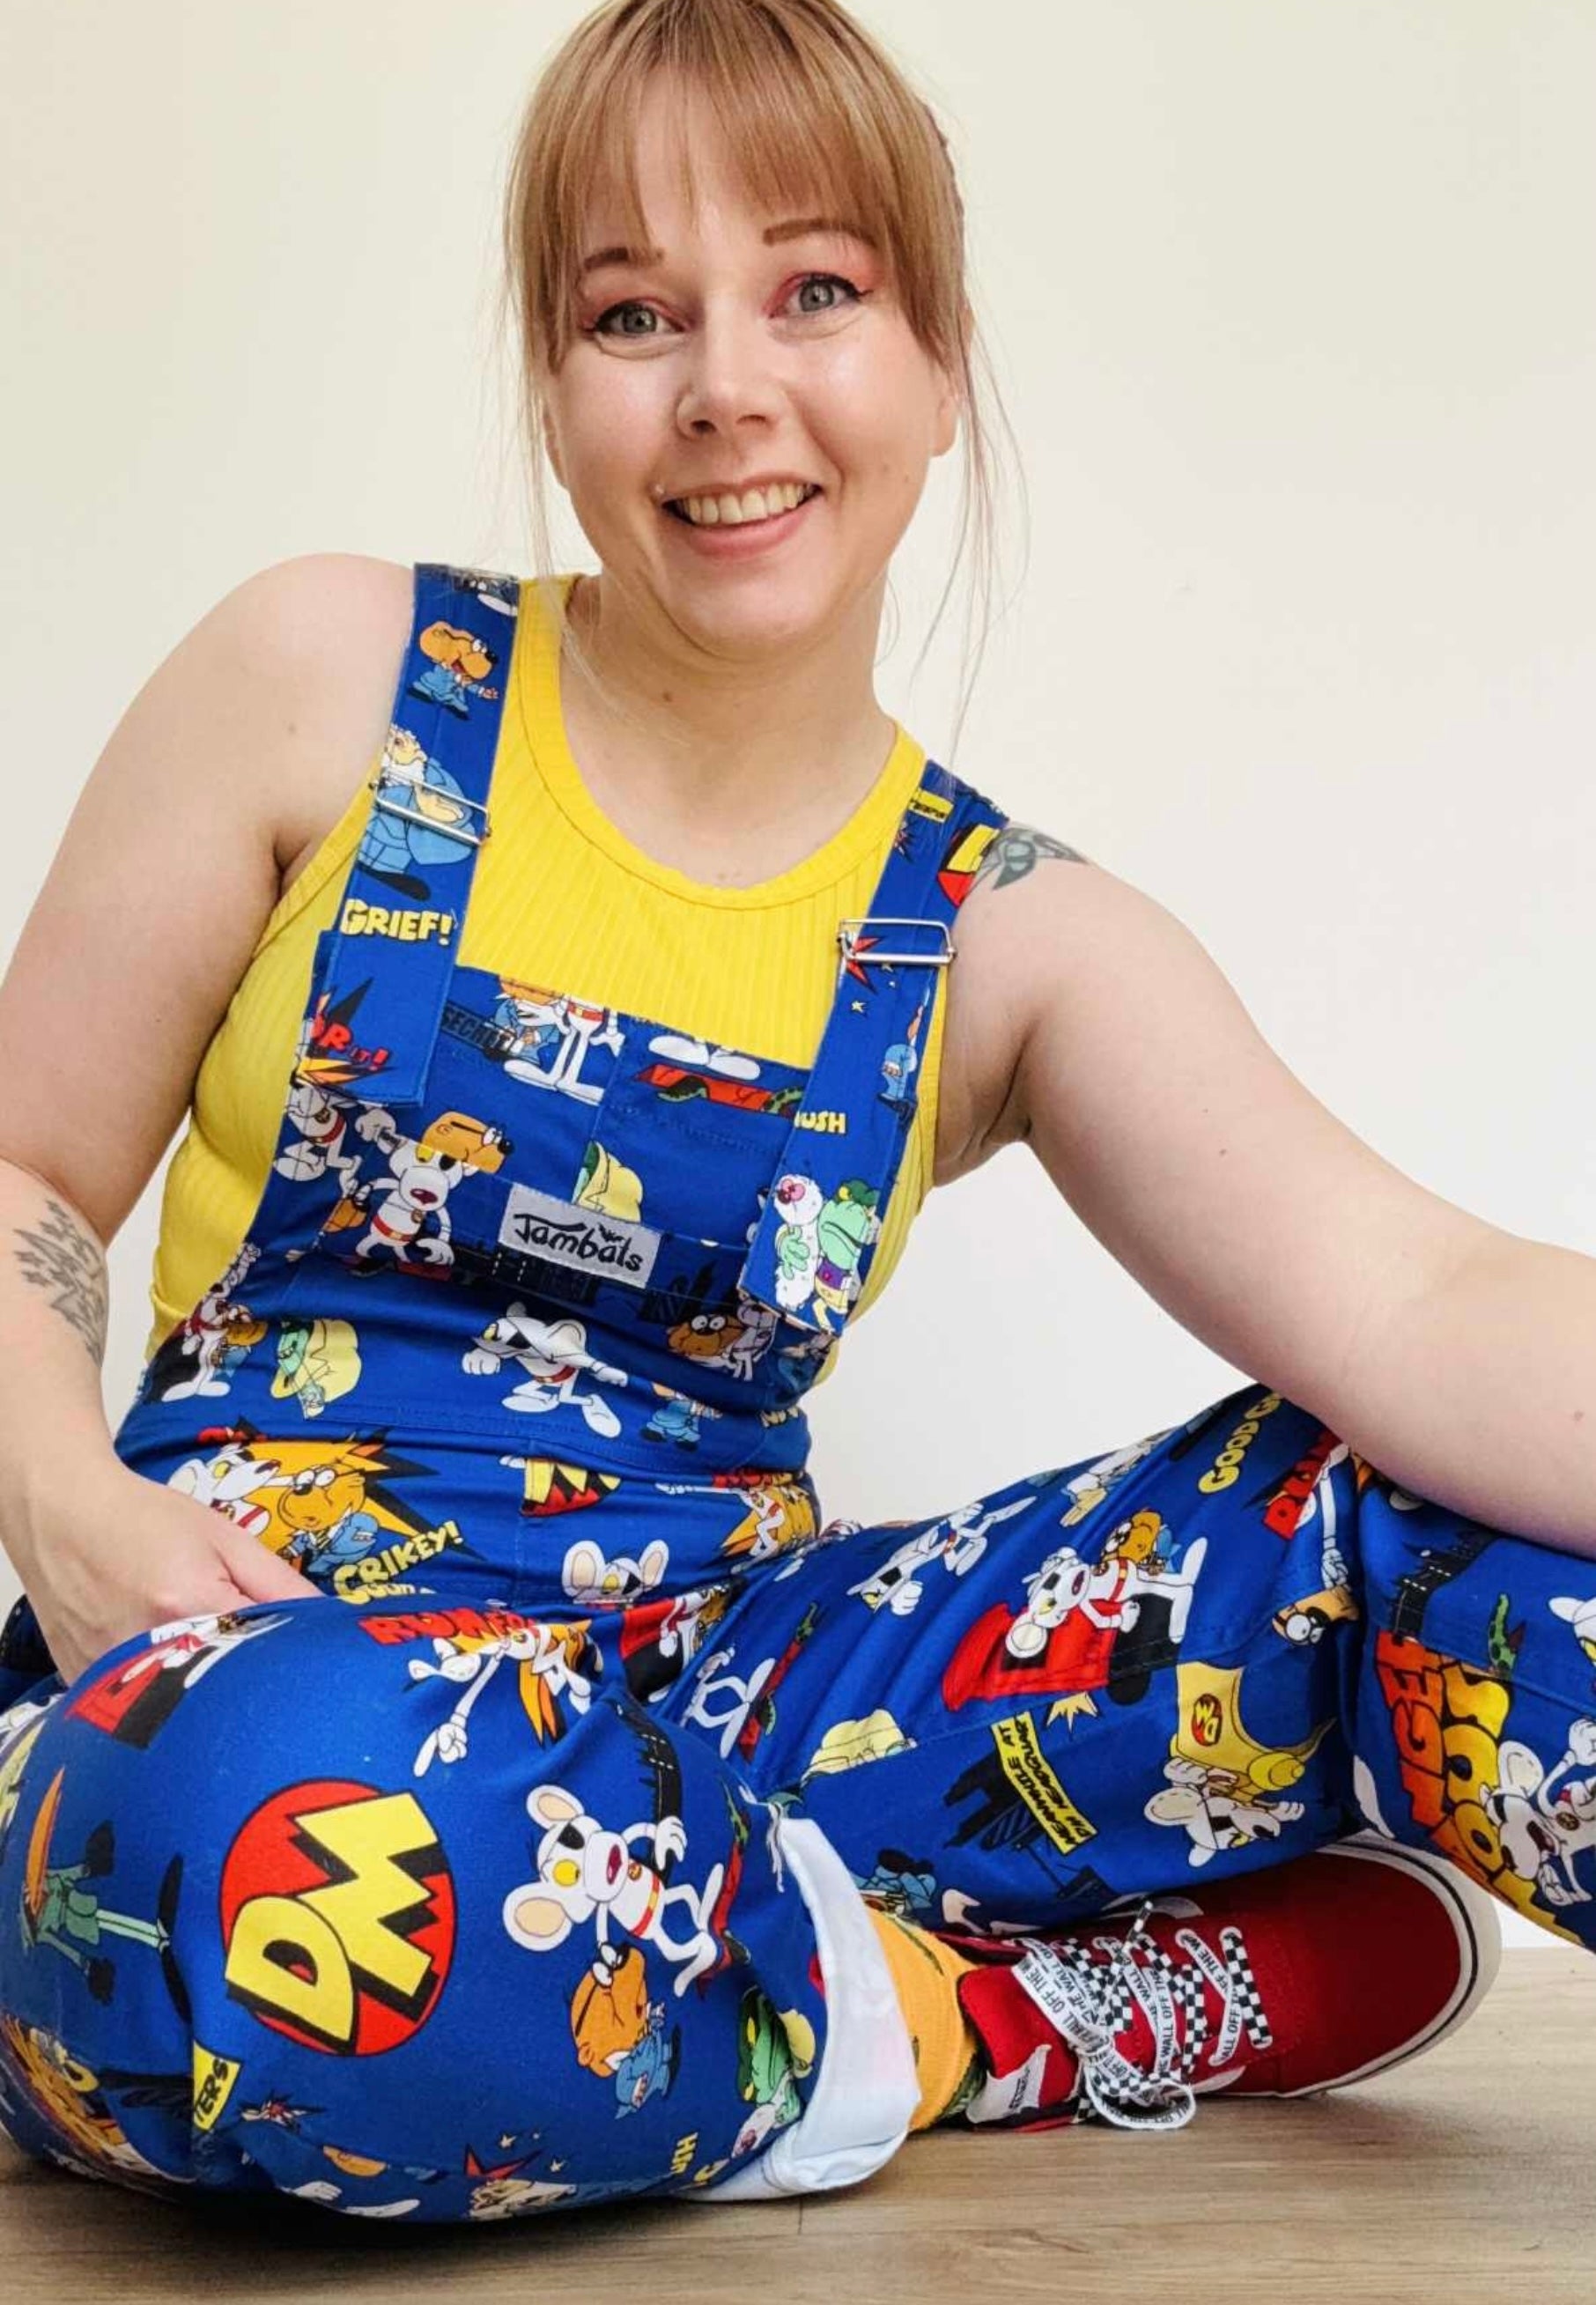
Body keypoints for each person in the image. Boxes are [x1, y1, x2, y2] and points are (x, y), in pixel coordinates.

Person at [0, 0, 1589, 2227]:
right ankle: (996, 2024)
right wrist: (66, 1507)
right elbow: (24, 1172)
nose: (726, 387)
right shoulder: (329, 681)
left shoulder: (1003, 937)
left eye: (816, 291)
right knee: (237, 1849)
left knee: (1463, 1527)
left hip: (733, 1736)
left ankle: (785, 2013)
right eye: (632, 314)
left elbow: (1419, 1304)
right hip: (265, 1704)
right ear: (555, 389)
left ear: (939, 368)